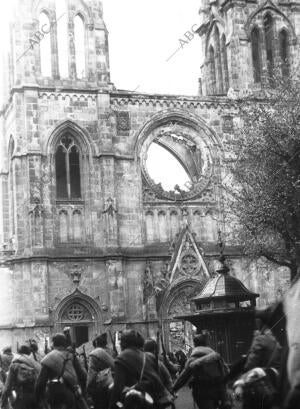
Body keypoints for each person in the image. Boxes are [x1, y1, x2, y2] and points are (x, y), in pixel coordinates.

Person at [109, 330, 174, 409]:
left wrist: (111, 406)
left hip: (142, 402)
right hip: (159, 400)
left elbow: (117, 389)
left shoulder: (122, 357)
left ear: (124, 343)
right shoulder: (149, 356)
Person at [173, 334, 228, 409]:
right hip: (217, 390)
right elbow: (225, 371)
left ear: (195, 344)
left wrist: (173, 389)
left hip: (201, 392)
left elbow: (183, 377)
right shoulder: (216, 357)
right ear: (206, 344)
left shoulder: (192, 360)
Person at [35, 333, 88, 409]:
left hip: (54, 396)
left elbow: (40, 383)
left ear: (53, 344)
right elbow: (82, 375)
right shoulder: (71, 356)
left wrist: (38, 400)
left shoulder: (48, 359)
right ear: (64, 344)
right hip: (70, 393)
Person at [1, 343, 41, 409]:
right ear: (29, 353)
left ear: (18, 353)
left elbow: (7, 387)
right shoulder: (36, 364)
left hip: (22, 398)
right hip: (36, 398)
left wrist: (3, 403)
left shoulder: (15, 364)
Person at [86, 333, 115, 409]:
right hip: (114, 385)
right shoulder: (112, 352)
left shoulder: (95, 354)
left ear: (96, 343)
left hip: (100, 388)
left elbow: (91, 374)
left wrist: (88, 389)